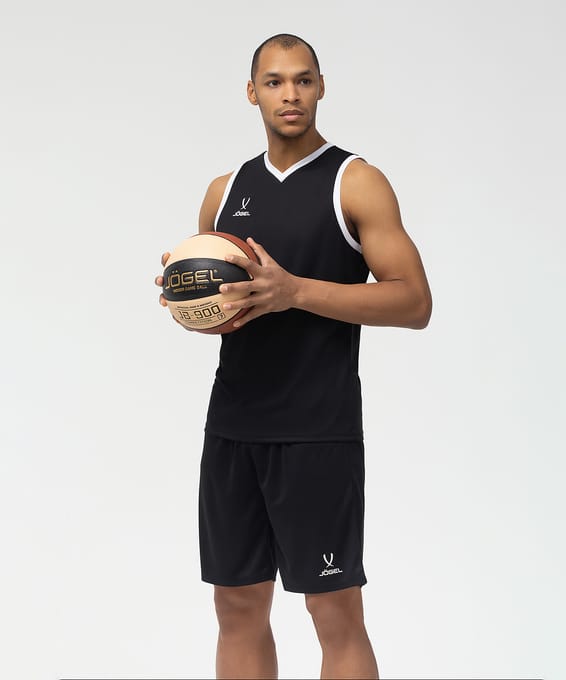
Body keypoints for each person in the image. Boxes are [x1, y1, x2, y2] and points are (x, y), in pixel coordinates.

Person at [155, 33, 432, 680]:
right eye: (275, 82)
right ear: (252, 92)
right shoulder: (225, 191)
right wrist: (193, 304)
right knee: (236, 608)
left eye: (303, 80)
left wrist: (296, 291)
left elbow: (414, 302)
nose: (290, 94)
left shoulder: (355, 181)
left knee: (334, 614)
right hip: (233, 428)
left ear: (321, 87)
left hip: (317, 430)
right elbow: (231, 311)